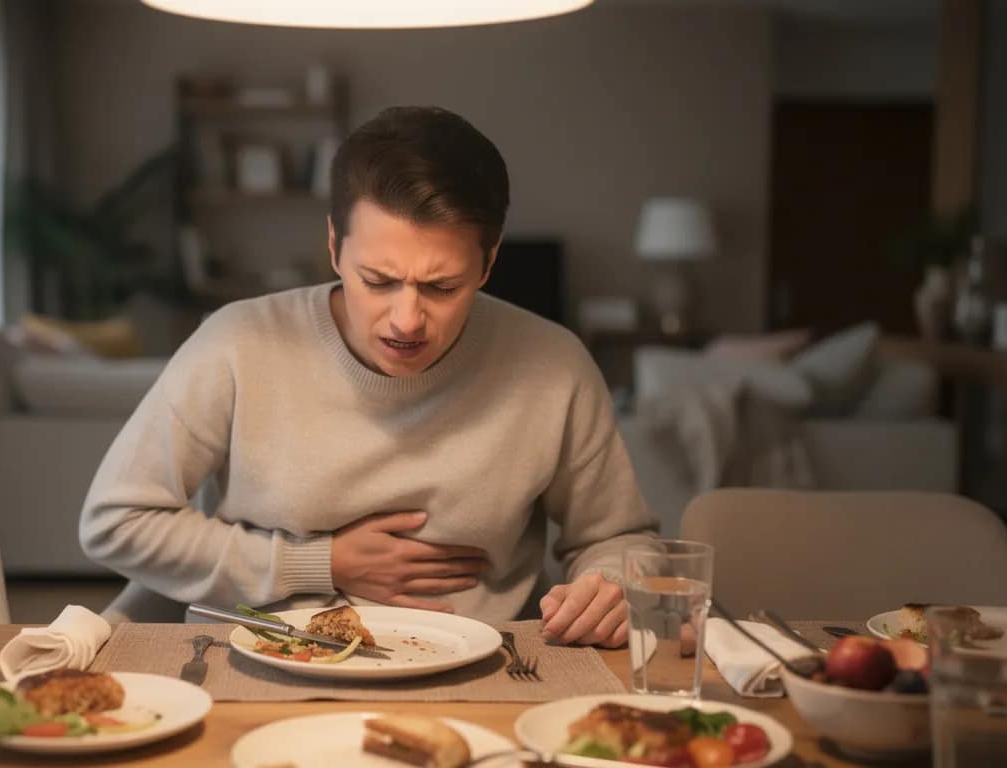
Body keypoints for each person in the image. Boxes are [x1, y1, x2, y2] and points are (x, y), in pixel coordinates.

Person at [79, 106, 657, 647]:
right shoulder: (237, 342)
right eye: (378, 280)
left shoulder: (554, 363)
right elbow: (116, 522)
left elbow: (619, 538)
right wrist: (317, 561)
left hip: (485, 668)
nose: (407, 320)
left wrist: (609, 584)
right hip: (258, 658)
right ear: (334, 246)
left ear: (489, 261)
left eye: (442, 287)